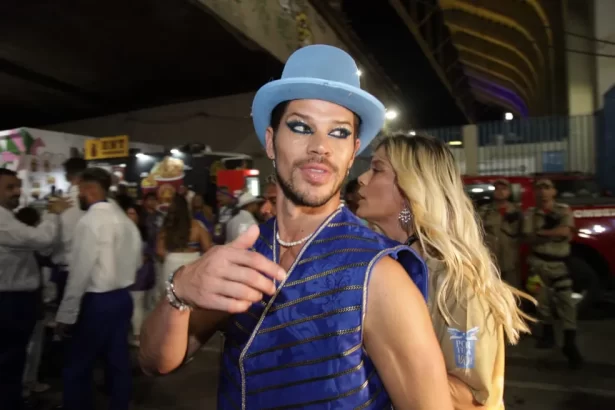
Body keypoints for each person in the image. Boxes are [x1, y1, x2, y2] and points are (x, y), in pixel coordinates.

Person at [139, 44, 452, 409]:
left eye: (337, 133)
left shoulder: (379, 275)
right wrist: (180, 291)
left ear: (352, 152)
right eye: (301, 127)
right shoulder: (247, 254)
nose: (320, 147)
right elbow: (155, 362)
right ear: (272, 142)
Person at [356, 134, 535, 409]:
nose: (362, 178)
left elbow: (472, 398)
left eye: (377, 169)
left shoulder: (455, 282)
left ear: (410, 188)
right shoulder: (381, 264)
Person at [55, 167, 143, 410]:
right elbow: (137, 260)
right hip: (122, 298)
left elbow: (80, 271)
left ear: (89, 190)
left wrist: (66, 314)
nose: (77, 196)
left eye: (79, 190)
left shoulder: (90, 221)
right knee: (118, 360)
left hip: (97, 301)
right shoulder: (124, 220)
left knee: (78, 364)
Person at [0, 168, 71, 410]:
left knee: (14, 358)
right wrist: (53, 214)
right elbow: (41, 240)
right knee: (11, 359)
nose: (17, 192)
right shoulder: (2, 220)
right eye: (9, 187)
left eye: (17, 186)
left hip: (15, 299)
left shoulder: (9, 217)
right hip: (10, 301)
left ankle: (14, 399)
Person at [523, 178, 583, 369]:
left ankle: (569, 342)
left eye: (547, 188)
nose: (543, 192)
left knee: (566, 303)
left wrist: (543, 232)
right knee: (542, 303)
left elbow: (566, 231)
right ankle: (548, 336)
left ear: (554, 191)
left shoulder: (563, 210)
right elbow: (528, 237)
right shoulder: (530, 214)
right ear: (534, 193)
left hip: (559, 265)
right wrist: (551, 231)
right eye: (539, 188)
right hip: (538, 265)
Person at [156, 194, 212, 300]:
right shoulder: (197, 225)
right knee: (192, 300)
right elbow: (207, 248)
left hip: (171, 263)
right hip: (193, 262)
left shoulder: (166, 226)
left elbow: (159, 251)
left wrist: (170, 256)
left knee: (171, 302)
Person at [116, 195, 155, 347]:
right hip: (127, 273)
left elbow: (148, 252)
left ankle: (138, 335)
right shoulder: (121, 231)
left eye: (132, 213)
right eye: (127, 213)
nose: (129, 216)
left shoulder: (145, 231)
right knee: (135, 305)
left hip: (140, 274)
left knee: (138, 304)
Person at [51, 157, 88, 305]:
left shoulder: (59, 203)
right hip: (92, 272)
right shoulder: (97, 203)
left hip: (66, 270)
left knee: (67, 321)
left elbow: (49, 239)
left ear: (67, 176)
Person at [478, 179, 523, 288]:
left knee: (512, 291)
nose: (500, 191)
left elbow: (523, 234)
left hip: (510, 260)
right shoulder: (484, 211)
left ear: (509, 192)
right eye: (497, 189)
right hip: (490, 259)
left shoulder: (517, 212)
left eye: (504, 189)